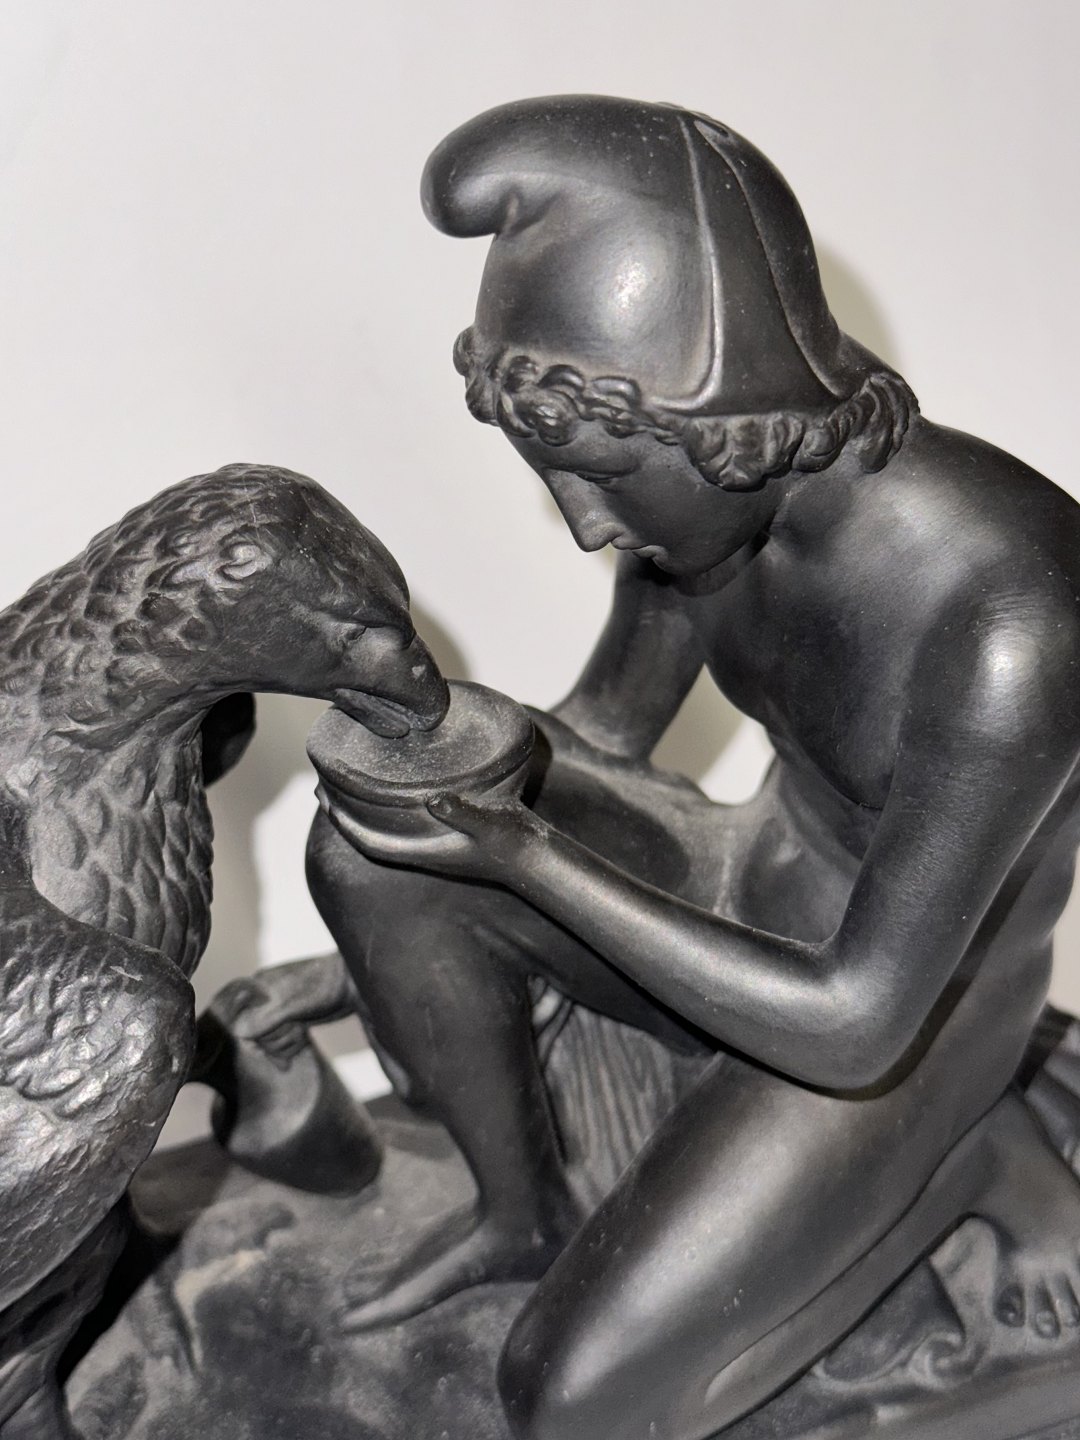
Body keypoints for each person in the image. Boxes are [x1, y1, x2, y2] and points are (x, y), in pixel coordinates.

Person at [248, 98, 1080, 1440]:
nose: (584, 526)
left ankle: (979, 1152)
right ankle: (523, 1213)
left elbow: (858, 1018)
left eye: (603, 476)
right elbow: (600, 731)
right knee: (371, 844)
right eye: (554, 475)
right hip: (741, 880)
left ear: (725, 427)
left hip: (899, 1029)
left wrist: (520, 857)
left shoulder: (1010, 620)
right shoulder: (709, 504)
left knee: (569, 1403)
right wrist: (375, 936)